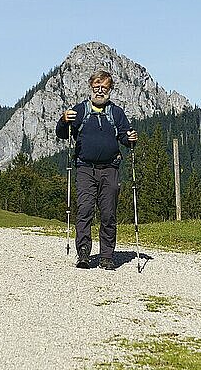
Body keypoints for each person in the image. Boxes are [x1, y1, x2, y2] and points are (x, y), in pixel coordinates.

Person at [55, 70, 137, 270]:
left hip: (110, 168)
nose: (100, 91)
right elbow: (61, 134)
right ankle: (83, 253)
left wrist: (131, 138)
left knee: (108, 213)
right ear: (91, 88)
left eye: (105, 88)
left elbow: (125, 138)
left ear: (110, 90)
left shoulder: (116, 112)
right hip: (85, 168)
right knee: (84, 210)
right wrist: (64, 120)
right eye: (97, 87)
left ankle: (106, 256)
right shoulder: (80, 111)